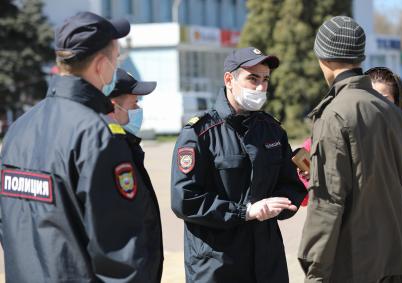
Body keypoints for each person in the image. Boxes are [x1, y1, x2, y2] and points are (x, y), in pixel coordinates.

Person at [0, 12, 162, 282]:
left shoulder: (18, 130)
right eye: (116, 58)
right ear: (100, 65)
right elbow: (121, 260)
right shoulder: (98, 137)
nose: (116, 65)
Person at [171, 47, 307, 283]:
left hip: (266, 262)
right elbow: (185, 199)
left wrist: (282, 203)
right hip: (217, 265)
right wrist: (245, 212)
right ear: (229, 80)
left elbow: (290, 185)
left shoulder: (272, 130)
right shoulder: (200, 133)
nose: (260, 87)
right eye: (252, 78)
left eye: (265, 80)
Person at [298, 16, 402, 283]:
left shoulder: (335, 114)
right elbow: (401, 185)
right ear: (360, 56)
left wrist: (315, 272)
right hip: (388, 259)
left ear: (322, 58)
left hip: (348, 263)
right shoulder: (392, 113)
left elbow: (327, 203)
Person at [366, 66, 402, 283]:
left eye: (383, 98)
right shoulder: (351, 137)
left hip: (400, 242)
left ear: (397, 101)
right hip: (362, 243)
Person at [108, 68, 164, 281]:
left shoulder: (127, 146)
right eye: (134, 104)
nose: (139, 109)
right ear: (115, 106)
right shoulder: (110, 152)